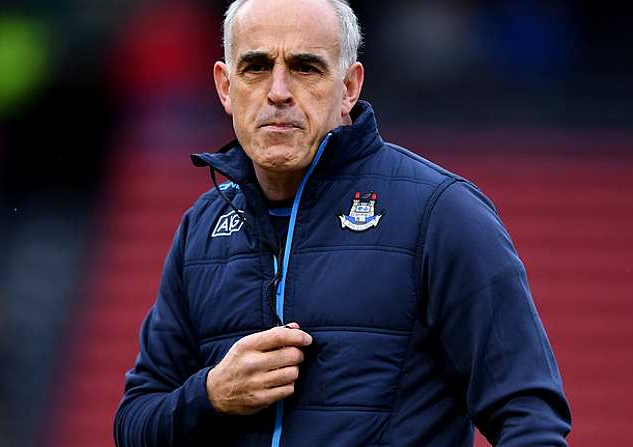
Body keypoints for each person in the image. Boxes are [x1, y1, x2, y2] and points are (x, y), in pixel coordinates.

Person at [114, 0, 572, 445]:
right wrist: (210, 394)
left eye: (305, 67)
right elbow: (134, 423)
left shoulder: (441, 213)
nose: (278, 91)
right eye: (255, 67)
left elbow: (529, 418)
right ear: (225, 87)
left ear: (350, 87)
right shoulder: (202, 228)